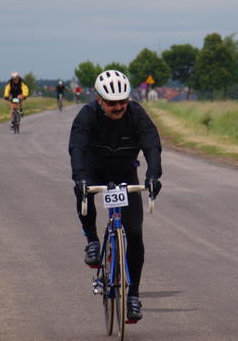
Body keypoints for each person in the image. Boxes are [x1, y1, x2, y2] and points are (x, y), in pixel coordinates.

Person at [69, 70, 162, 322]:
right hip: (94, 171)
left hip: (125, 174)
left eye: (123, 101)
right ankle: (92, 240)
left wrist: (153, 175)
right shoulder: (87, 115)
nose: (119, 107)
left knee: (135, 233)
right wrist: (80, 177)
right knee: (82, 192)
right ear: (99, 99)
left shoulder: (136, 114)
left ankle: (133, 297)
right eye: (112, 103)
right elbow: (77, 147)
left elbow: (151, 144)